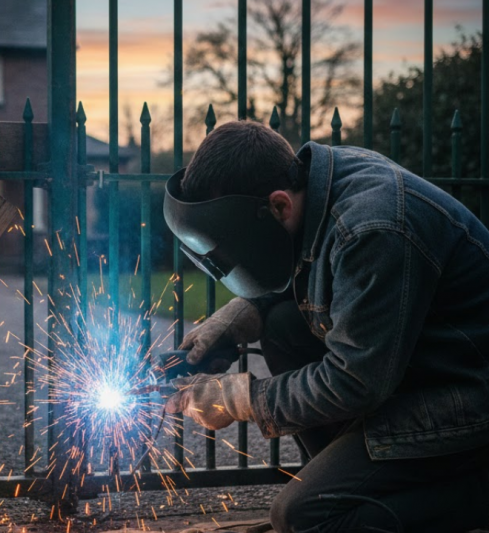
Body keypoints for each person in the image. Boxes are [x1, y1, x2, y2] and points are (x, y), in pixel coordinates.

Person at [162, 120, 489, 533]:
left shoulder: (373, 228)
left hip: (463, 399)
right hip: (415, 368)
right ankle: (348, 486)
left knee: (302, 517)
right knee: (280, 324)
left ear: (278, 206)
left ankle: (469, 495)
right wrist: (239, 316)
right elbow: (307, 265)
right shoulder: (317, 182)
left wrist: (239, 399)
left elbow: (354, 381)